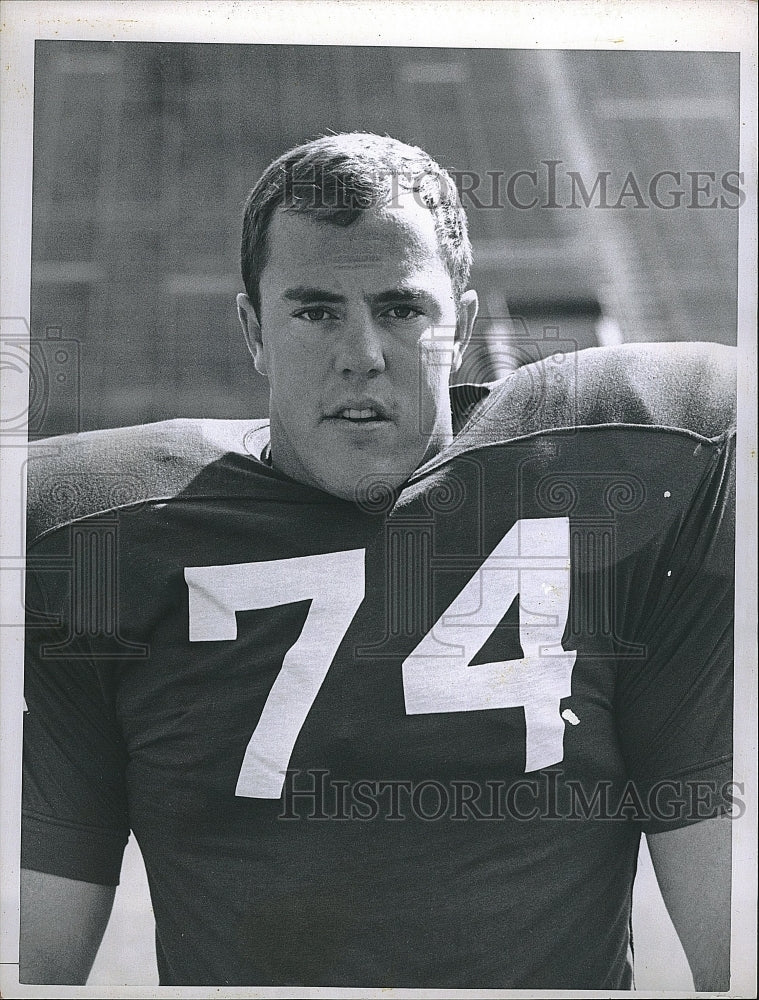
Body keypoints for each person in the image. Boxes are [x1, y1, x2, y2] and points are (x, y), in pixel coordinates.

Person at [21, 133, 735, 989]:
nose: (360, 352)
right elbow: (35, 961)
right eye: (315, 311)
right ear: (253, 329)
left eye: (401, 309)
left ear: (463, 326)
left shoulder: (654, 465)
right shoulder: (89, 533)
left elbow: (731, 936)